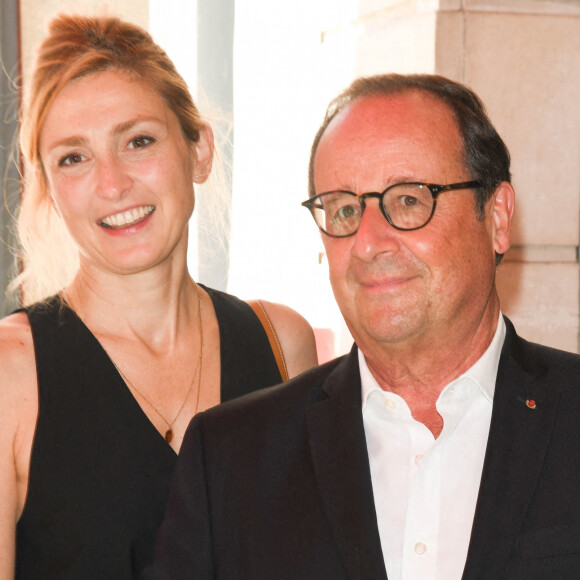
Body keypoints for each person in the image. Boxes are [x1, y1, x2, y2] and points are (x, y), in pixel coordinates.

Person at [142, 73, 580, 580]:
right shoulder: (231, 459)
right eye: (345, 209)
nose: (368, 242)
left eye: (410, 199)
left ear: (497, 216)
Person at [0, 14, 318, 580]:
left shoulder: (281, 344)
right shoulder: (11, 373)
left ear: (198, 150)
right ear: (48, 189)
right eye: (74, 157)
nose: (113, 184)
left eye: (138, 141)